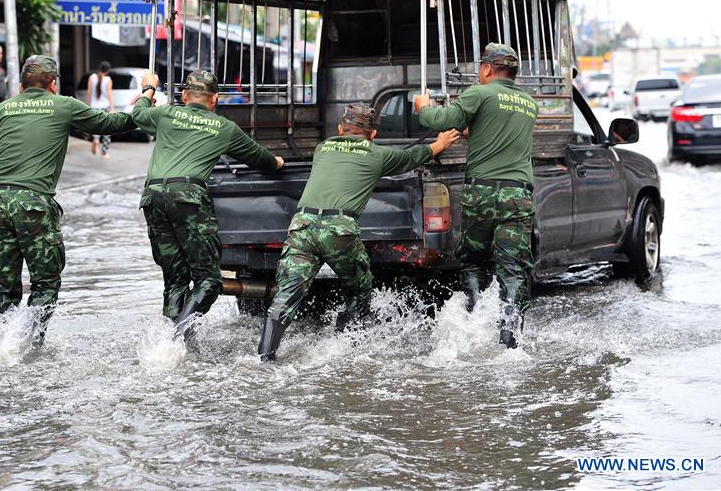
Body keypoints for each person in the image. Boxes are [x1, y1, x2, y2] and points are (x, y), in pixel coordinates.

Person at [258, 104, 460, 362]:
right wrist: (440, 143)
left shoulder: (323, 148)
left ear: (340, 129)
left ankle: (264, 357)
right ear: (373, 134)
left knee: (286, 295)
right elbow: (412, 157)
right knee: (359, 287)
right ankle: (344, 343)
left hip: (302, 226)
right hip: (338, 231)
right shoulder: (377, 154)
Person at [0, 55, 140, 341]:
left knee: (4, 284)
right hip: (33, 203)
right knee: (45, 282)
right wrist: (143, 104)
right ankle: (27, 342)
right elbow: (111, 123)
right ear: (53, 84)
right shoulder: (63, 105)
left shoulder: (1, 111)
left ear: (21, 85)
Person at [131, 70, 284, 338]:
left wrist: (148, 89)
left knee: (175, 278)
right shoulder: (224, 128)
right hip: (189, 198)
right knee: (209, 281)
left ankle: (172, 341)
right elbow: (261, 160)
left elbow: (138, 114)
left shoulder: (166, 114)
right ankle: (176, 340)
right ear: (215, 99)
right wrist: (278, 162)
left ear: (183, 96)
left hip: (153, 197)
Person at [413, 43, 539, 349]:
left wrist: (423, 108)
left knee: (473, 261)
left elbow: (440, 120)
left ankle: (471, 329)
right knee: (513, 268)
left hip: (482, 191)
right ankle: (510, 342)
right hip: (517, 194)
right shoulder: (528, 103)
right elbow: (494, 128)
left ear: (486, 69)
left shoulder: (478, 93)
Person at [86, 61, 114, 158]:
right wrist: (112, 108)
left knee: (95, 127)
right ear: (107, 71)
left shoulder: (92, 77)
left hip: (94, 107)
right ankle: (104, 152)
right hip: (104, 107)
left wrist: (87, 106)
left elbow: (89, 92)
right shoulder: (108, 79)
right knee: (106, 129)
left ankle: (96, 139)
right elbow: (110, 94)